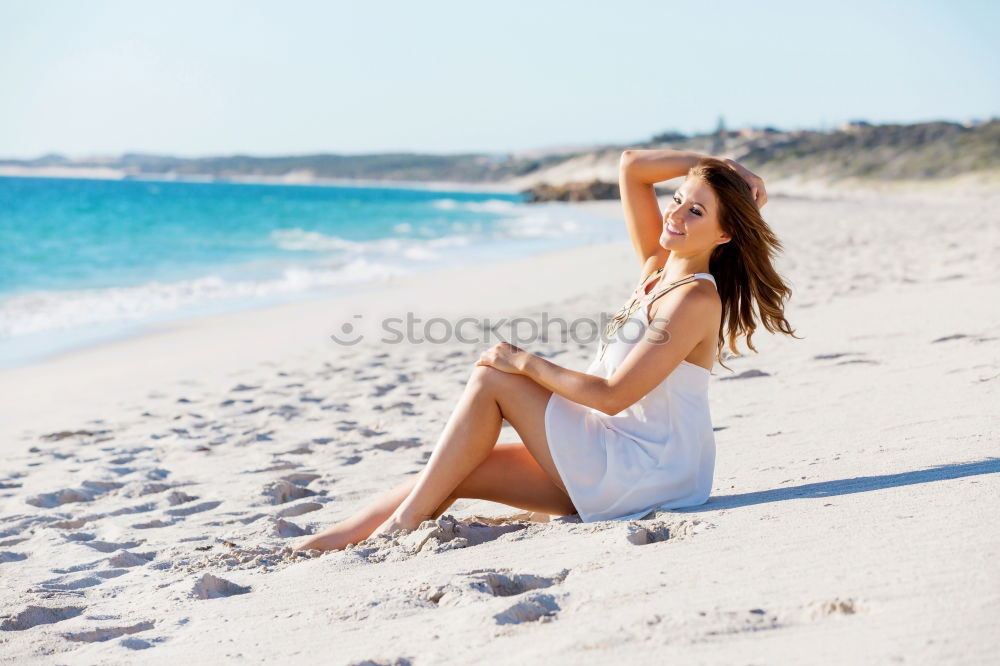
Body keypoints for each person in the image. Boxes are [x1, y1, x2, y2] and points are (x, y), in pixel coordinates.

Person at [294, 149, 798, 551]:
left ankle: (400, 528)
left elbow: (612, 395)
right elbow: (632, 166)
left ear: (726, 232)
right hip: (609, 451)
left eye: (696, 210)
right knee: (451, 470)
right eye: (679, 199)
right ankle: (321, 546)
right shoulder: (656, 269)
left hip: (649, 471)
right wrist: (722, 164)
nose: (677, 215)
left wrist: (526, 363)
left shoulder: (695, 297)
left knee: (495, 378)